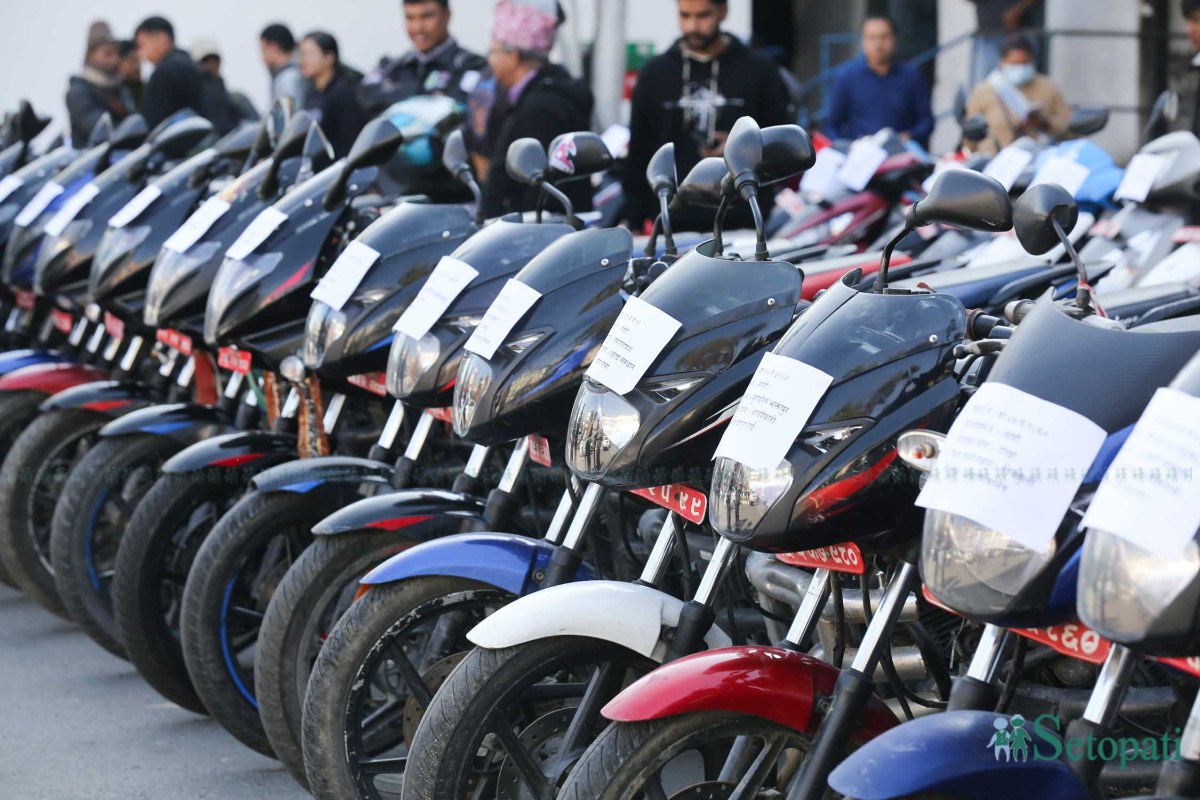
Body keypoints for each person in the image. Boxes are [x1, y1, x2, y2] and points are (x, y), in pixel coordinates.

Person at [623, 0, 792, 232]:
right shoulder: (655, 73)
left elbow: (780, 141)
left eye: (703, 16)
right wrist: (634, 220)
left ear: (723, 11)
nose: (692, 26)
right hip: (672, 222)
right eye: (684, 16)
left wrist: (743, 150)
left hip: (742, 222)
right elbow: (639, 151)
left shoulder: (759, 70)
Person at [479, 0, 593, 218]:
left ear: (513, 56)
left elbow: (536, 189)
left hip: (538, 234)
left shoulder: (539, 108)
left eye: (493, 51)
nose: (490, 61)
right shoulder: (550, 94)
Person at [357, 0, 487, 118]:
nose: (418, 27)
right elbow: (366, 95)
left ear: (447, 15)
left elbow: (460, 106)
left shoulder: (472, 65)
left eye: (426, 16)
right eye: (410, 18)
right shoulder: (390, 66)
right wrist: (430, 96)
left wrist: (397, 92)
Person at [822, 16, 933, 146]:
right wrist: (847, 149)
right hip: (862, 156)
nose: (878, 44)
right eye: (872, 37)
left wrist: (909, 136)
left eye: (884, 37)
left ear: (894, 40)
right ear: (863, 41)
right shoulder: (846, 77)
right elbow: (830, 126)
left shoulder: (911, 76)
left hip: (902, 154)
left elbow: (926, 121)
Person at [965, 33, 1069, 154]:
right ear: (1002, 62)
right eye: (1014, 64)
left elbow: (1068, 129)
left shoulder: (1048, 88)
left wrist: (1044, 124)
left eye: (1024, 63)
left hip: (1036, 164)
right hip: (993, 165)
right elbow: (969, 138)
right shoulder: (985, 90)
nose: (1019, 68)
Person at [298, 32, 367, 159]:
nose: (302, 60)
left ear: (329, 57)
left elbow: (351, 140)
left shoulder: (343, 93)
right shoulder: (311, 94)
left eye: (308, 54)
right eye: (301, 54)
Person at [66, 21, 134, 144]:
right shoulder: (79, 91)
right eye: (107, 54)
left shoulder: (120, 87)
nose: (114, 59)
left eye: (115, 53)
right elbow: (98, 127)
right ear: (91, 55)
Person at [135, 16, 206, 128]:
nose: (139, 54)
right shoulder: (195, 68)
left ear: (161, 39)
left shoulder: (162, 74)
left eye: (141, 46)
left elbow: (153, 126)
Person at [970, 0, 1041, 84]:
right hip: (987, 34)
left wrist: (1018, 9)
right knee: (985, 85)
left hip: (1021, 34)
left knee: (1024, 87)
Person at [190, 39, 239, 134]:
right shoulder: (199, 90)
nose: (212, 65)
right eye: (206, 61)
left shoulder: (222, 87)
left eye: (215, 60)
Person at [261, 23, 307, 108]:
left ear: (273, 47)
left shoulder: (288, 79)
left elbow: (288, 117)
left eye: (263, 49)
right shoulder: (294, 71)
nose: (262, 57)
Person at [117, 40, 145, 109]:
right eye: (132, 61)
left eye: (138, 61)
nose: (137, 66)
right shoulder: (112, 93)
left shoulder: (146, 89)